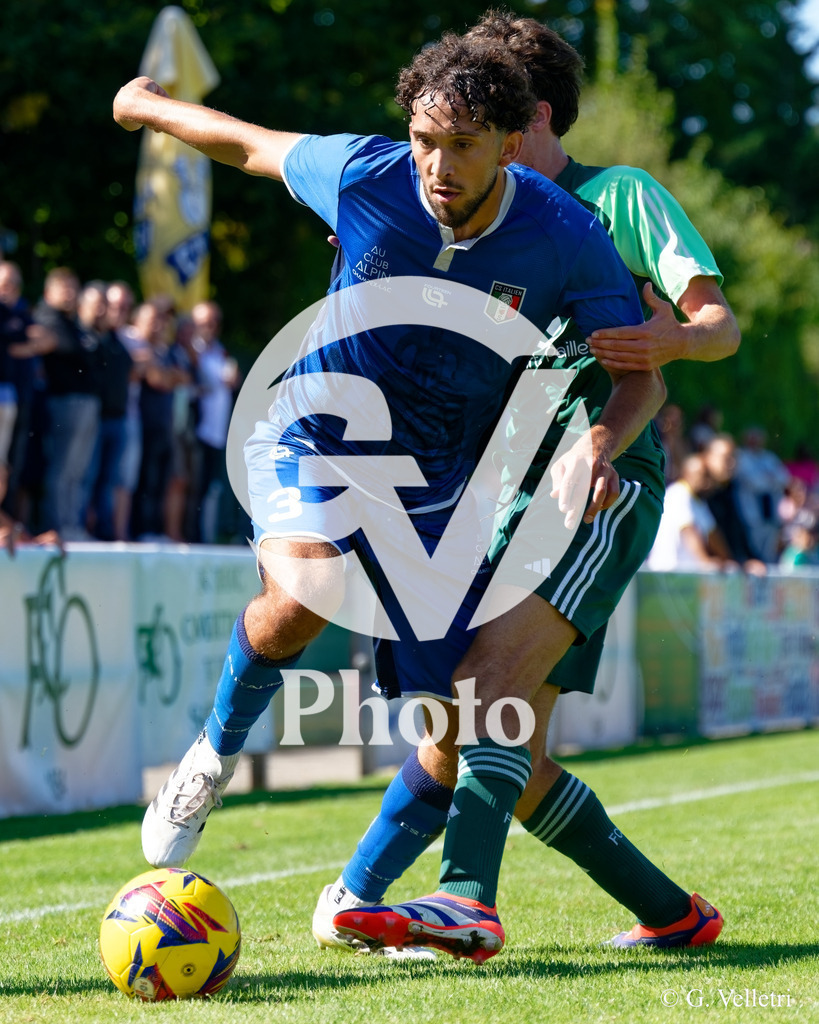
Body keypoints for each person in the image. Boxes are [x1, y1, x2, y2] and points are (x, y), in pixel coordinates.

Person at [115, 31, 670, 959]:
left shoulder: (566, 234)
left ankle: (390, 901)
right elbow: (245, 143)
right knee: (302, 595)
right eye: (422, 137)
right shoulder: (366, 174)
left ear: (505, 142)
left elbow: (641, 374)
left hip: (435, 493)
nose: (435, 165)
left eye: (459, 145)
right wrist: (147, 106)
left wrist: (600, 444)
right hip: (310, 435)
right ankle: (207, 759)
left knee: (467, 725)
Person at [326, 13, 734, 959]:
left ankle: (457, 899)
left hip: (595, 486)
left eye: (486, 106)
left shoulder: (612, 200)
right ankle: (672, 912)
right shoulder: (464, 224)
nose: (464, 125)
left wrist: (657, 349)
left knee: (482, 695)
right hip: (499, 492)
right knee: (495, 742)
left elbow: (703, 337)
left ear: (527, 116)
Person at [35, 267, 102, 539]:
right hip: (63, 402)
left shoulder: (72, 324)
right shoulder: (44, 321)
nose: (71, 294)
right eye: (64, 288)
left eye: (74, 288)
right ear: (48, 292)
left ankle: (72, 524)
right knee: (62, 469)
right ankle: (59, 526)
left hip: (84, 403)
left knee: (77, 471)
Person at [189, 300, 239, 543]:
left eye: (213, 322)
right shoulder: (190, 351)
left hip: (216, 432)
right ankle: (191, 535)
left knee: (208, 486)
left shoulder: (220, 351)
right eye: (203, 323)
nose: (209, 327)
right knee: (192, 485)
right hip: (194, 429)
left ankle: (203, 535)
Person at [646, 453, 734, 571]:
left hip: (685, 574)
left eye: (709, 477)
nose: (707, 483)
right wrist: (705, 562)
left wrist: (729, 561)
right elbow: (688, 530)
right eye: (702, 476)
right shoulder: (678, 494)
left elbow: (713, 535)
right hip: (668, 572)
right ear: (687, 474)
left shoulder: (698, 501)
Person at [703, 433, 766, 575]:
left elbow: (739, 532)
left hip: (729, 572)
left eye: (733, 458)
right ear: (707, 457)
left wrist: (754, 560)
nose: (731, 463)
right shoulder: (699, 494)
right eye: (726, 458)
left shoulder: (731, 490)